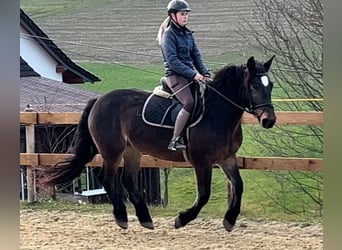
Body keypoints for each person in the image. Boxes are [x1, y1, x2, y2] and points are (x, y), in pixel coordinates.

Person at [157, 0, 212, 151]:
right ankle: (175, 139)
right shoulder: (168, 35)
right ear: (173, 15)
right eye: (182, 14)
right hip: (175, 77)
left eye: (187, 14)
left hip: (190, 75)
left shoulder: (188, 34)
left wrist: (205, 72)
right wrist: (194, 74)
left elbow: (196, 55)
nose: (185, 17)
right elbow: (173, 61)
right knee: (189, 102)